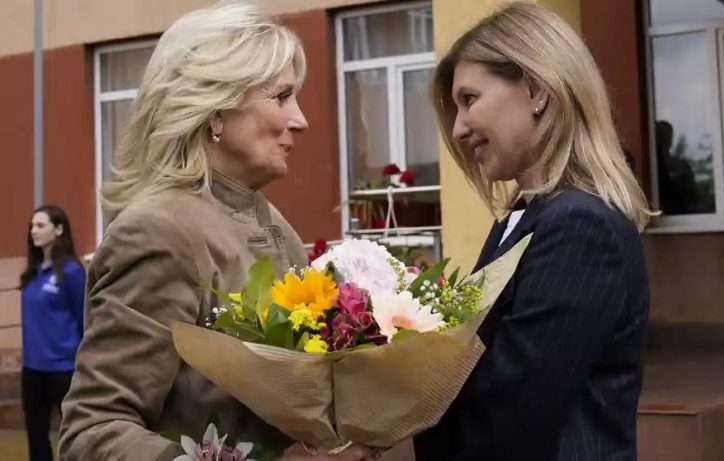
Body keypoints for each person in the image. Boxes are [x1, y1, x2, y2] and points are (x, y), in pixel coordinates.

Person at [58, 2, 370, 461]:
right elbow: (92, 433)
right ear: (216, 109)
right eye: (282, 97)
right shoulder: (158, 231)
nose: (300, 121)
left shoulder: (273, 223)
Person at [414, 3, 653, 461]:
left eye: (469, 100)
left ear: (536, 89)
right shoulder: (523, 219)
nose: (459, 129)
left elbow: (513, 412)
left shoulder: (580, 226)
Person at [19, 205, 85, 461]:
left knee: (76, 435)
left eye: (40, 225)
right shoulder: (31, 274)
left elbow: (84, 318)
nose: (33, 231)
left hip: (64, 369)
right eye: (32, 226)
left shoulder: (71, 272)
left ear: (58, 230)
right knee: (36, 437)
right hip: (32, 370)